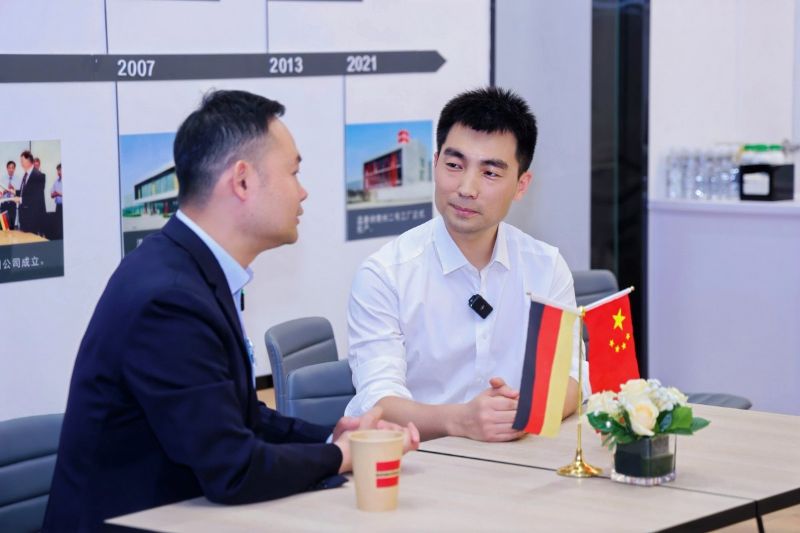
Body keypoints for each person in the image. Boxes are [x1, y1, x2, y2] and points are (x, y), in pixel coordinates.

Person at [43, 90, 419, 531]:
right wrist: (339, 456)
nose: (303, 192)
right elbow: (233, 468)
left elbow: (237, 416)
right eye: (293, 172)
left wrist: (333, 435)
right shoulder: (169, 299)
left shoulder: (185, 267)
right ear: (242, 181)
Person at [344, 87, 587, 442]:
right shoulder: (384, 275)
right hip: (417, 457)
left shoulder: (545, 267)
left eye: (490, 173)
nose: (466, 188)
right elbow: (378, 402)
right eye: (454, 165)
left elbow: (573, 375)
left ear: (521, 185)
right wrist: (462, 420)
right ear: (435, 164)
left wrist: (520, 413)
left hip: (512, 454)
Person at [17, 151, 46, 235]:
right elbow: (25, 192)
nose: (21, 163)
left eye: (22, 161)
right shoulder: (26, 174)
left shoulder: (38, 176)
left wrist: (20, 199)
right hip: (24, 217)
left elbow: (36, 198)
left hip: (32, 218)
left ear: (28, 161)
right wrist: (14, 191)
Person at [1, 161, 17, 229]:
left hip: (12, 204)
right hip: (4, 204)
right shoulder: (2, 179)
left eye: (12, 168)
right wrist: (4, 191)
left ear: (14, 169)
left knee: (11, 226)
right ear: (7, 168)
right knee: (3, 226)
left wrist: (14, 190)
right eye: (9, 168)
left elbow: (20, 193)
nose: (11, 169)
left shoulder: (18, 180)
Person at [50, 163, 63, 239]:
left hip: (65, 207)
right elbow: (52, 194)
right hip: (58, 206)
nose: (58, 172)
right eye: (58, 170)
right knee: (58, 225)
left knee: (63, 226)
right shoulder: (56, 181)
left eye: (60, 170)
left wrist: (58, 193)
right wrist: (56, 194)